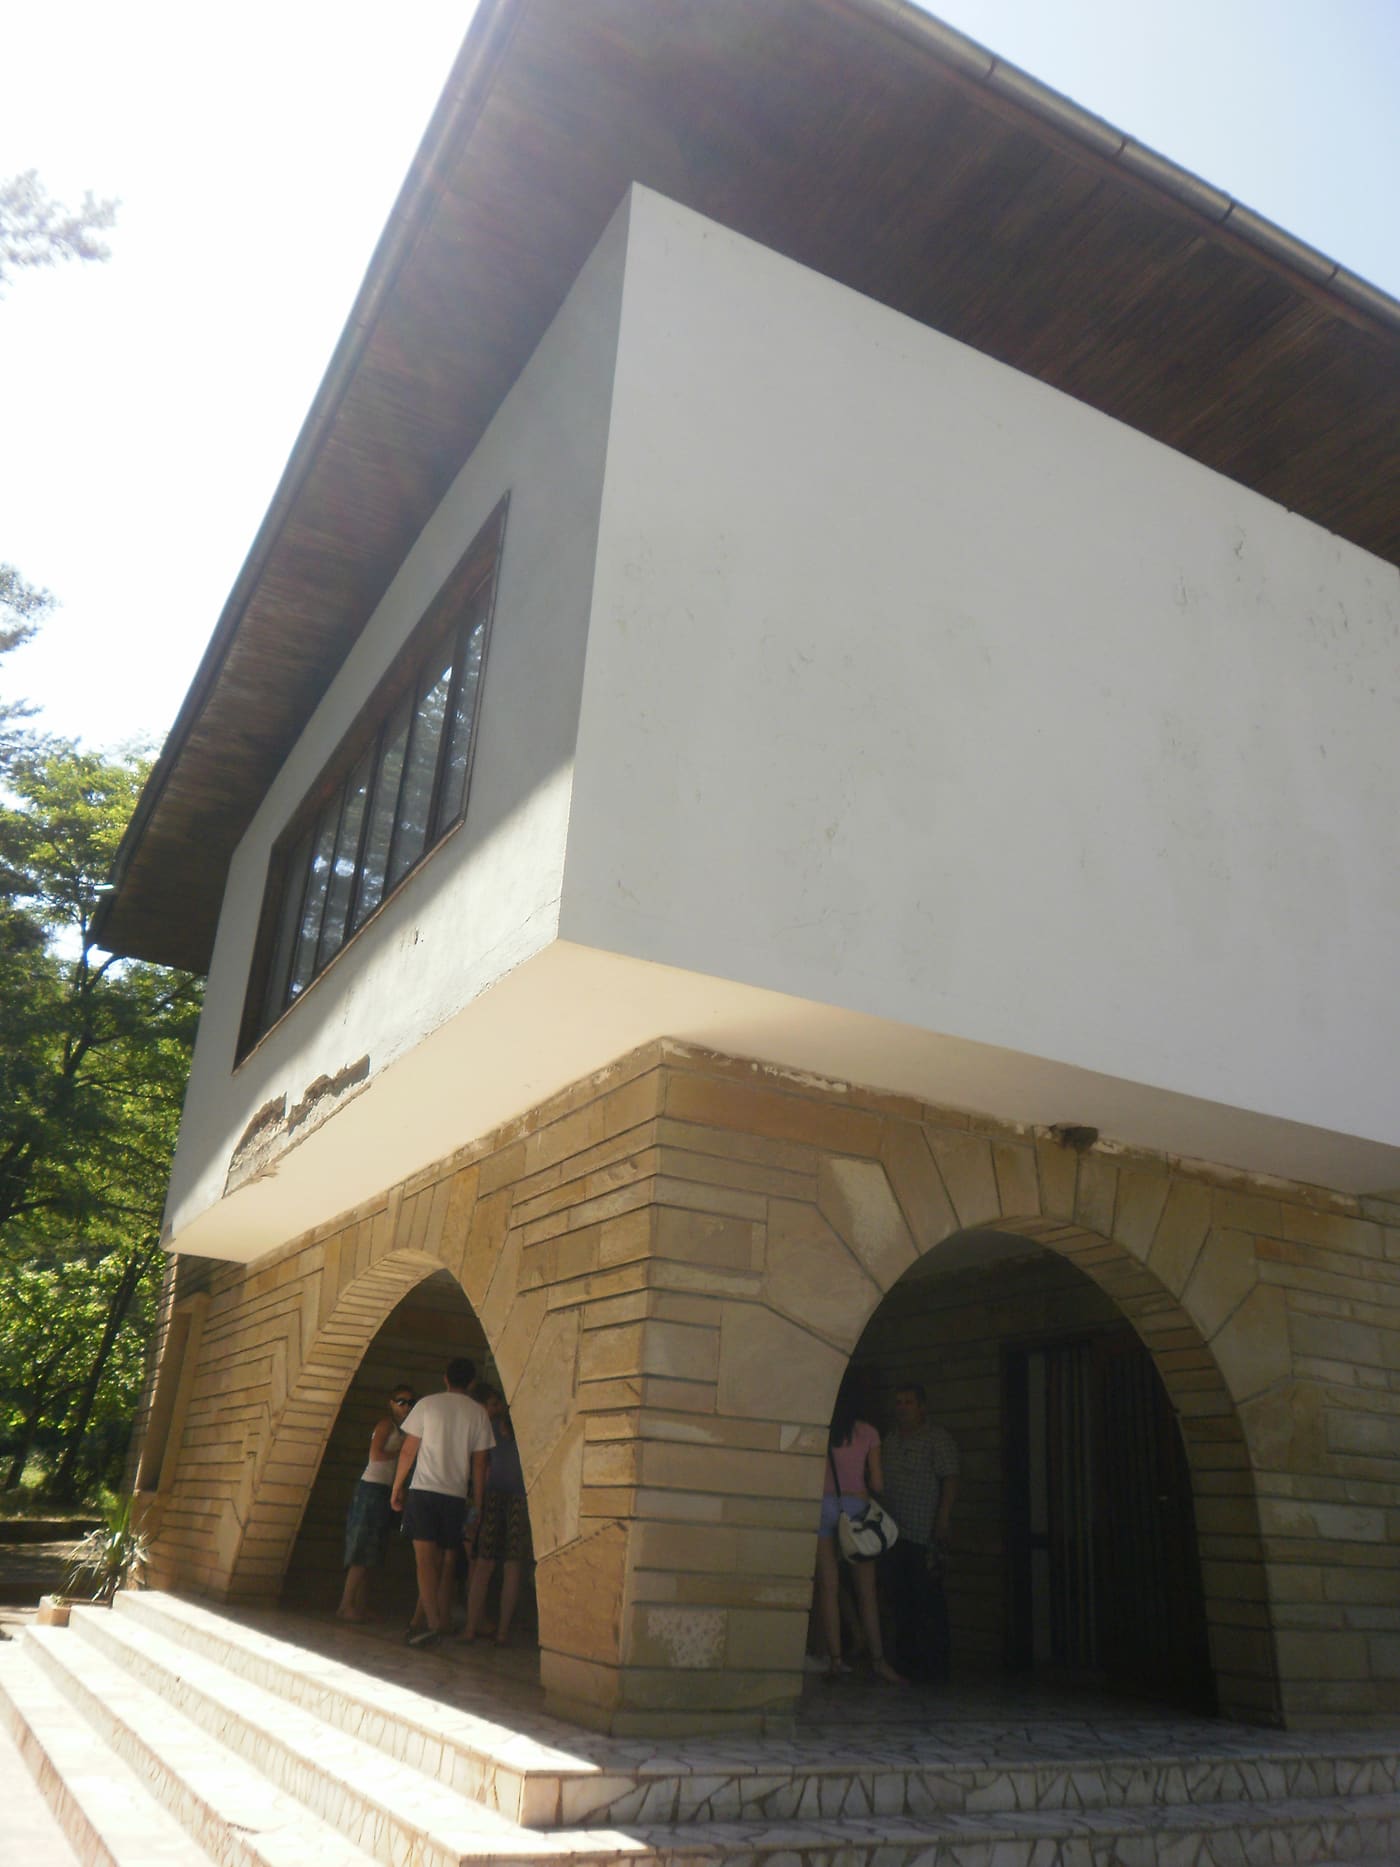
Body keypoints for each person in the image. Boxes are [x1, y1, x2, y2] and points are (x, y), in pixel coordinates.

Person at [390, 1356, 494, 1648]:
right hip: (455, 1494)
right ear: (472, 1382)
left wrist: (397, 1486)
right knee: (444, 1560)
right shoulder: (478, 1414)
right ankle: (430, 1621)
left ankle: (432, 1624)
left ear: (445, 1378)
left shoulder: (428, 1405)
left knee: (424, 1560)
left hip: (424, 1490)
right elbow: (480, 1463)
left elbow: (409, 1450)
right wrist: (479, 1503)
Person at [816, 1382, 902, 1683]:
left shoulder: (823, 1429)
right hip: (856, 1509)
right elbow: (878, 1483)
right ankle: (878, 1661)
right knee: (866, 1592)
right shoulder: (869, 1433)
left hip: (824, 1507)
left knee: (829, 1586)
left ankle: (836, 1660)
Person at [880, 1380, 960, 1683]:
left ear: (922, 1407)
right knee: (900, 1601)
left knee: (928, 1599)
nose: (902, 1408)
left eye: (909, 1402)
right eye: (898, 1402)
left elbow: (950, 1478)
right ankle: (906, 1663)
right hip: (892, 1535)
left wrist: (943, 1519)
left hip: (923, 1533)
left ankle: (936, 1667)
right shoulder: (889, 1440)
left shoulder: (937, 1439)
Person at [337, 1384, 415, 1621]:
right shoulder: (386, 1425)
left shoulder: (404, 1432)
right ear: (391, 1403)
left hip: (385, 1491)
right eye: (401, 1401)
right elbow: (376, 1455)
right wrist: (402, 1454)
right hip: (371, 1489)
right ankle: (345, 1604)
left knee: (374, 1551)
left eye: (411, 1402)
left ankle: (359, 1605)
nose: (406, 1407)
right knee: (362, 1549)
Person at [463, 1386, 532, 1645]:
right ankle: (502, 1633)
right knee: (512, 1565)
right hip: (520, 1499)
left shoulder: (489, 1428)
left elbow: (482, 1466)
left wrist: (476, 1506)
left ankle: (470, 1628)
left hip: (493, 1497)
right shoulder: (528, 1430)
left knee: (484, 1564)